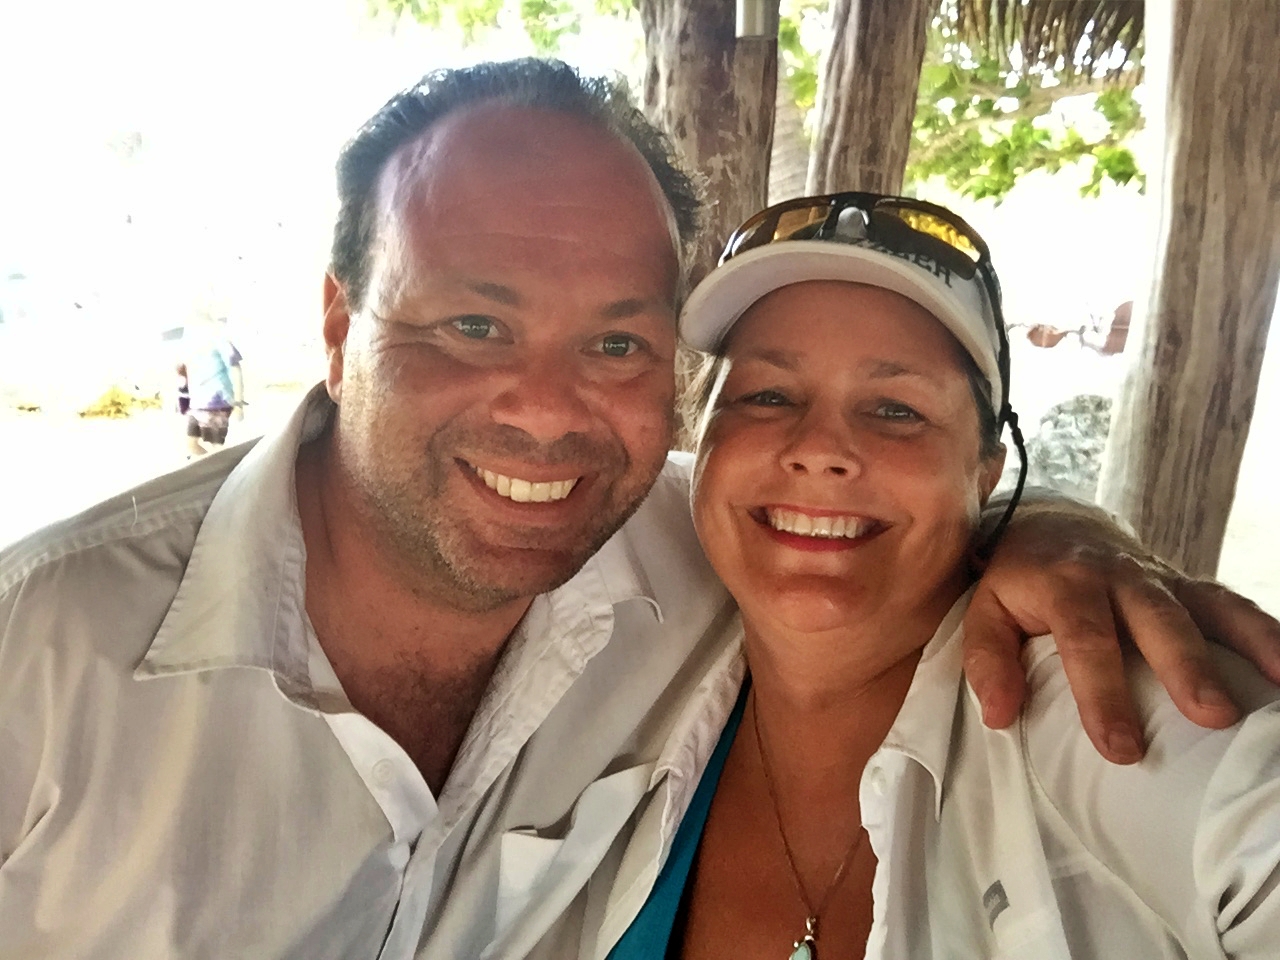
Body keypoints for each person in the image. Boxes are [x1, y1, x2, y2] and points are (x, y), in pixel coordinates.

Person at [0, 60, 1276, 959]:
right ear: (339, 326)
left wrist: (1065, 535)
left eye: (616, 344)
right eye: (475, 323)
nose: (547, 412)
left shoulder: (1086, 714)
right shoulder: (39, 656)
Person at [602, 193, 1280, 959]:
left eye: (896, 409)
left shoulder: (1101, 712)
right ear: (700, 441)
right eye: (767, 395)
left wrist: (1059, 524)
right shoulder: (629, 613)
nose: (819, 449)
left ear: (987, 471)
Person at [178, 313, 245, 456]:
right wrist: (183, 402)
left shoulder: (220, 342)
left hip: (217, 403)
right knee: (192, 445)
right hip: (197, 405)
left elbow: (235, 369)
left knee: (216, 447)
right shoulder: (190, 348)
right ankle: (217, 466)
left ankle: (230, 467)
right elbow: (186, 377)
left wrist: (238, 403)